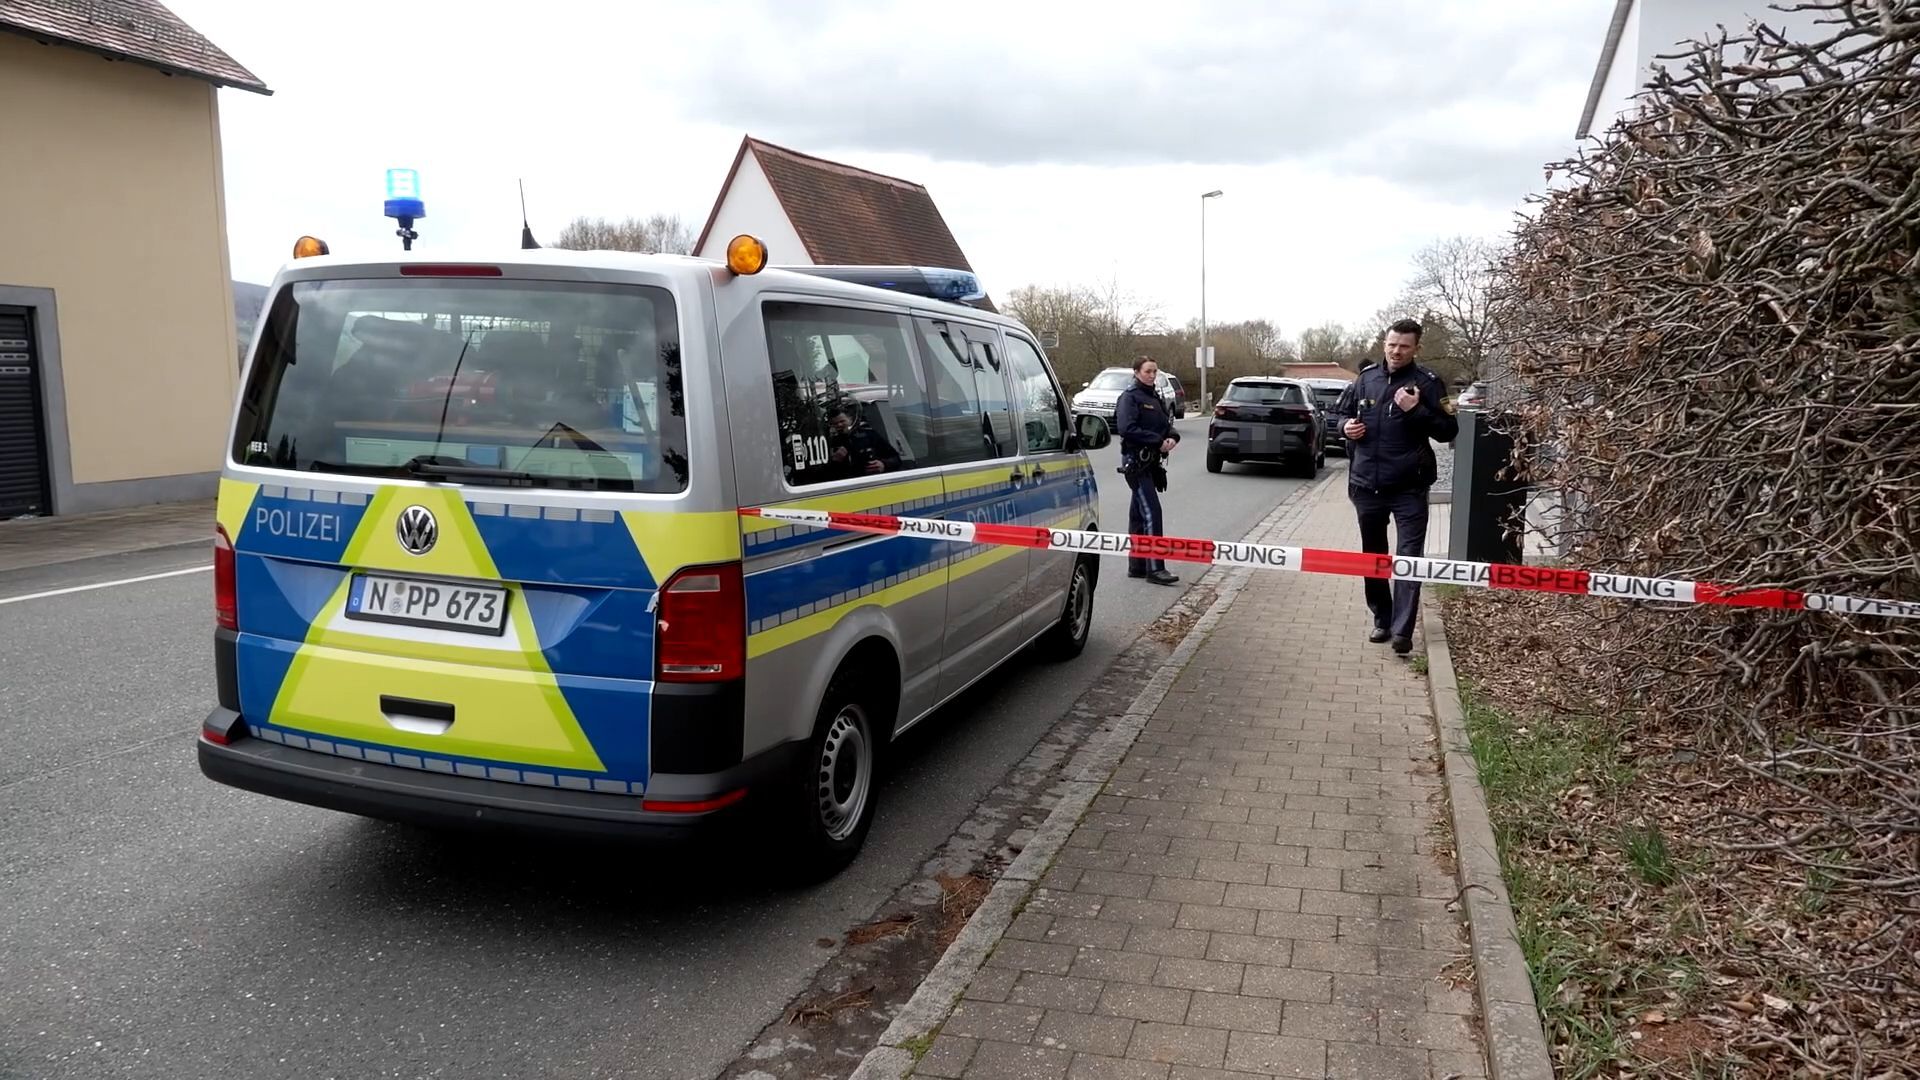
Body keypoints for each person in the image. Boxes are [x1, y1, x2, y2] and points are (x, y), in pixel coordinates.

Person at [1336, 318, 1459, 654]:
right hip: (1366, 485)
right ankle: (1382, 619)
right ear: (1384, 344)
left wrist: (1417, 410)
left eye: (1404, 346)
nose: (1396, 351)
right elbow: (1339, 415)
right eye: (1392, 344)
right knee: (1373, 556)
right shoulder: (1366, 379)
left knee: (1409, 559)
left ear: (1416, 348)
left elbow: (1449, 431)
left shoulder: (1429, 383)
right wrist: (1345, 427)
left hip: (1409, 487)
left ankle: (1403, 630)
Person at [1114, 355, 1181, 586]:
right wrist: (1157, 441)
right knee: (1152, 511)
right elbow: (1126, 428)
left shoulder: (1155, 397)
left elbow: (1166, 425)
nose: (1152, 375)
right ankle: (1156, 568)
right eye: (1147, 371)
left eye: (1155, 371)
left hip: (1152, 462)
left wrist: (1172, 437)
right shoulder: (1129, 398)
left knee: (1139, 514)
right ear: (1136, 372)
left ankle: (1138, 564)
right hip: (1136, 462)